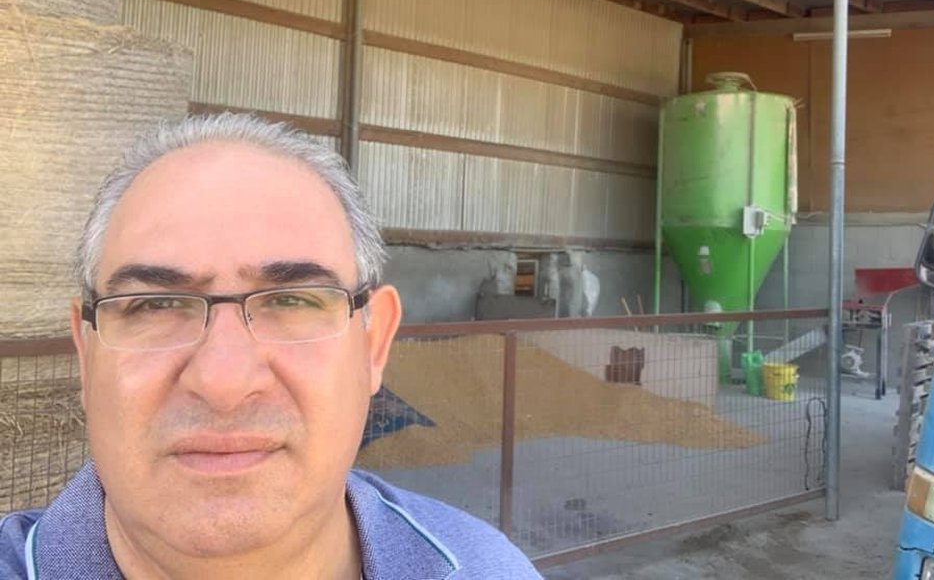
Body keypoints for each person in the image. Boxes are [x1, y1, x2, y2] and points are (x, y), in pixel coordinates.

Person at [0, 113, 541, 579]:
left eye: (292, 300)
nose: (224, 382)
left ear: (374, 344)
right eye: (156, 305)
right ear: (86, 352)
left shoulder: (487, 568)